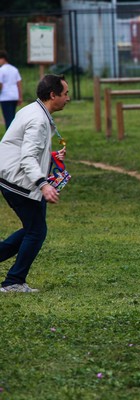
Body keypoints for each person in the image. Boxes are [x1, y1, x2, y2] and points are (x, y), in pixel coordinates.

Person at [0, 74, 70, 293]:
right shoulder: (38, 119)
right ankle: (13, 282)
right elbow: (27, 158)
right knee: (36, 231)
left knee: (32, 228)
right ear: (53, 95)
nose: (68, 98)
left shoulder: (34, 110)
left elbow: (25, 149)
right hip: (18, 180)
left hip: (12, 176)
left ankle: (14, 279)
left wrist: (50, 156)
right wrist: (43, 184)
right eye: (65, 93)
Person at [0, 50, 23, 130]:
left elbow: (0, 84)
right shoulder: (14, 69)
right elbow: (19, 84)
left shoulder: (1, 70)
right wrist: (20, 97)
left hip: (5, 97)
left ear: (3, 59)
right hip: (14, 96)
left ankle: (9, 137)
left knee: (8, 119)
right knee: (12, 117)